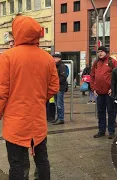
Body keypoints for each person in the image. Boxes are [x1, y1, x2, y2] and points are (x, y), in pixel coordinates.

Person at [0, 15, 59, 180]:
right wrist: (39, 98)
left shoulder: (7, 57)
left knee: (17, 164)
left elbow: (1, 92)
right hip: (38, 122)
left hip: (15, 123)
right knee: (42, 160)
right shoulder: (47, 58)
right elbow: (54, 87)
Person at [91, 46, 117, 139]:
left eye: (102, 51)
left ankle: (111, 131)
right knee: (100, 112)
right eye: (99, 51)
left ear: (106, 52)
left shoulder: (112, 61)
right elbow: (92, 76)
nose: (100, 53)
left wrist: (113, 88)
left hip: (109, 92)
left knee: (111, 111)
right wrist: (93, 88)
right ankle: (101, 131)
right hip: (99, 92)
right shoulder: (96, 63)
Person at [51, 54, 68, 125]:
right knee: (56, 103)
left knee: (59, 103)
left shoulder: (62, 66)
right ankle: (58, 117)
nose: (53, 59)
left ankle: (61, 118)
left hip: (60, 87)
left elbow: (63, 77)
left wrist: (55, 82)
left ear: (59, 58)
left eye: (54, 58)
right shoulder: (56, 66)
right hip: (56, 87)